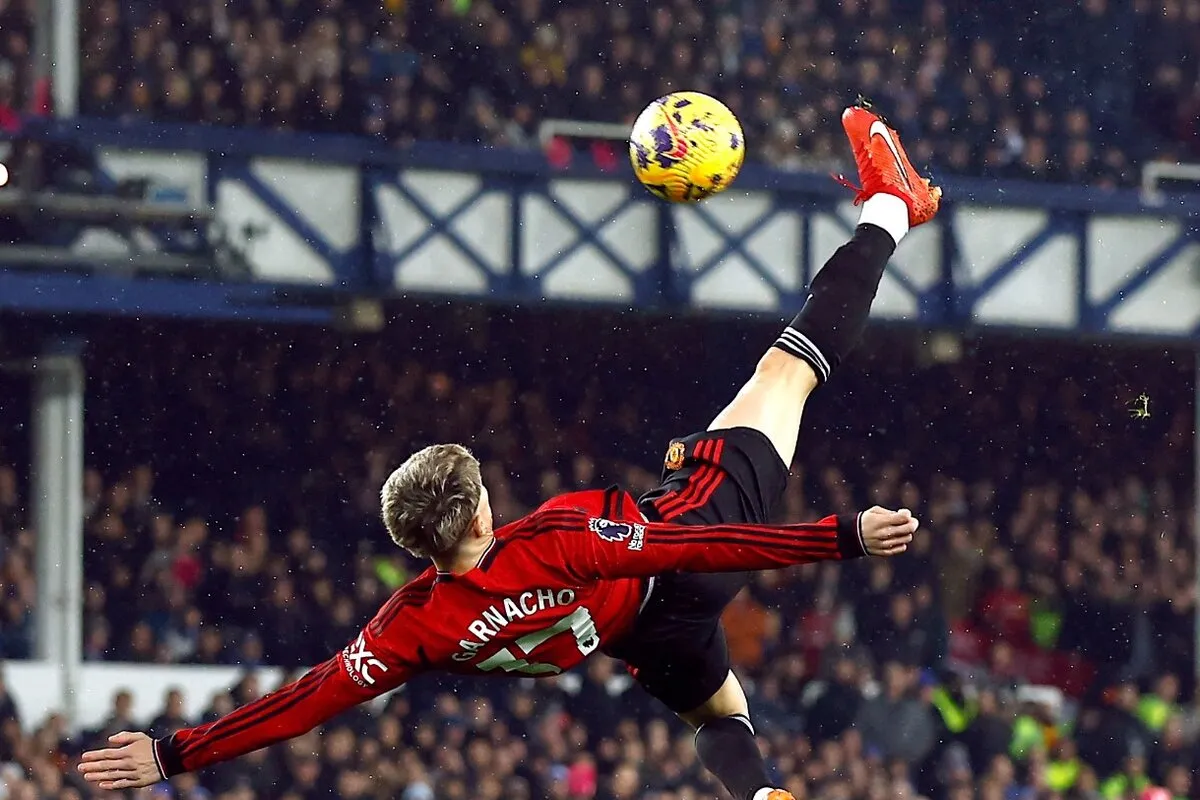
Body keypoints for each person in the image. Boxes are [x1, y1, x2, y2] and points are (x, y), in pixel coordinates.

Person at [79, 100, 942, 800]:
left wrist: (173, 754)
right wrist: (840, 536)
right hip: (677, 560)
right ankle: (891, 206)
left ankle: (758, 795)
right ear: (484, 508)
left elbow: (306, 701)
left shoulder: (410, 625)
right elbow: (695, 545)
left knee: (719, 716)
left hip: (642, 641)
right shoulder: (555, 538)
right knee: (786, 371)